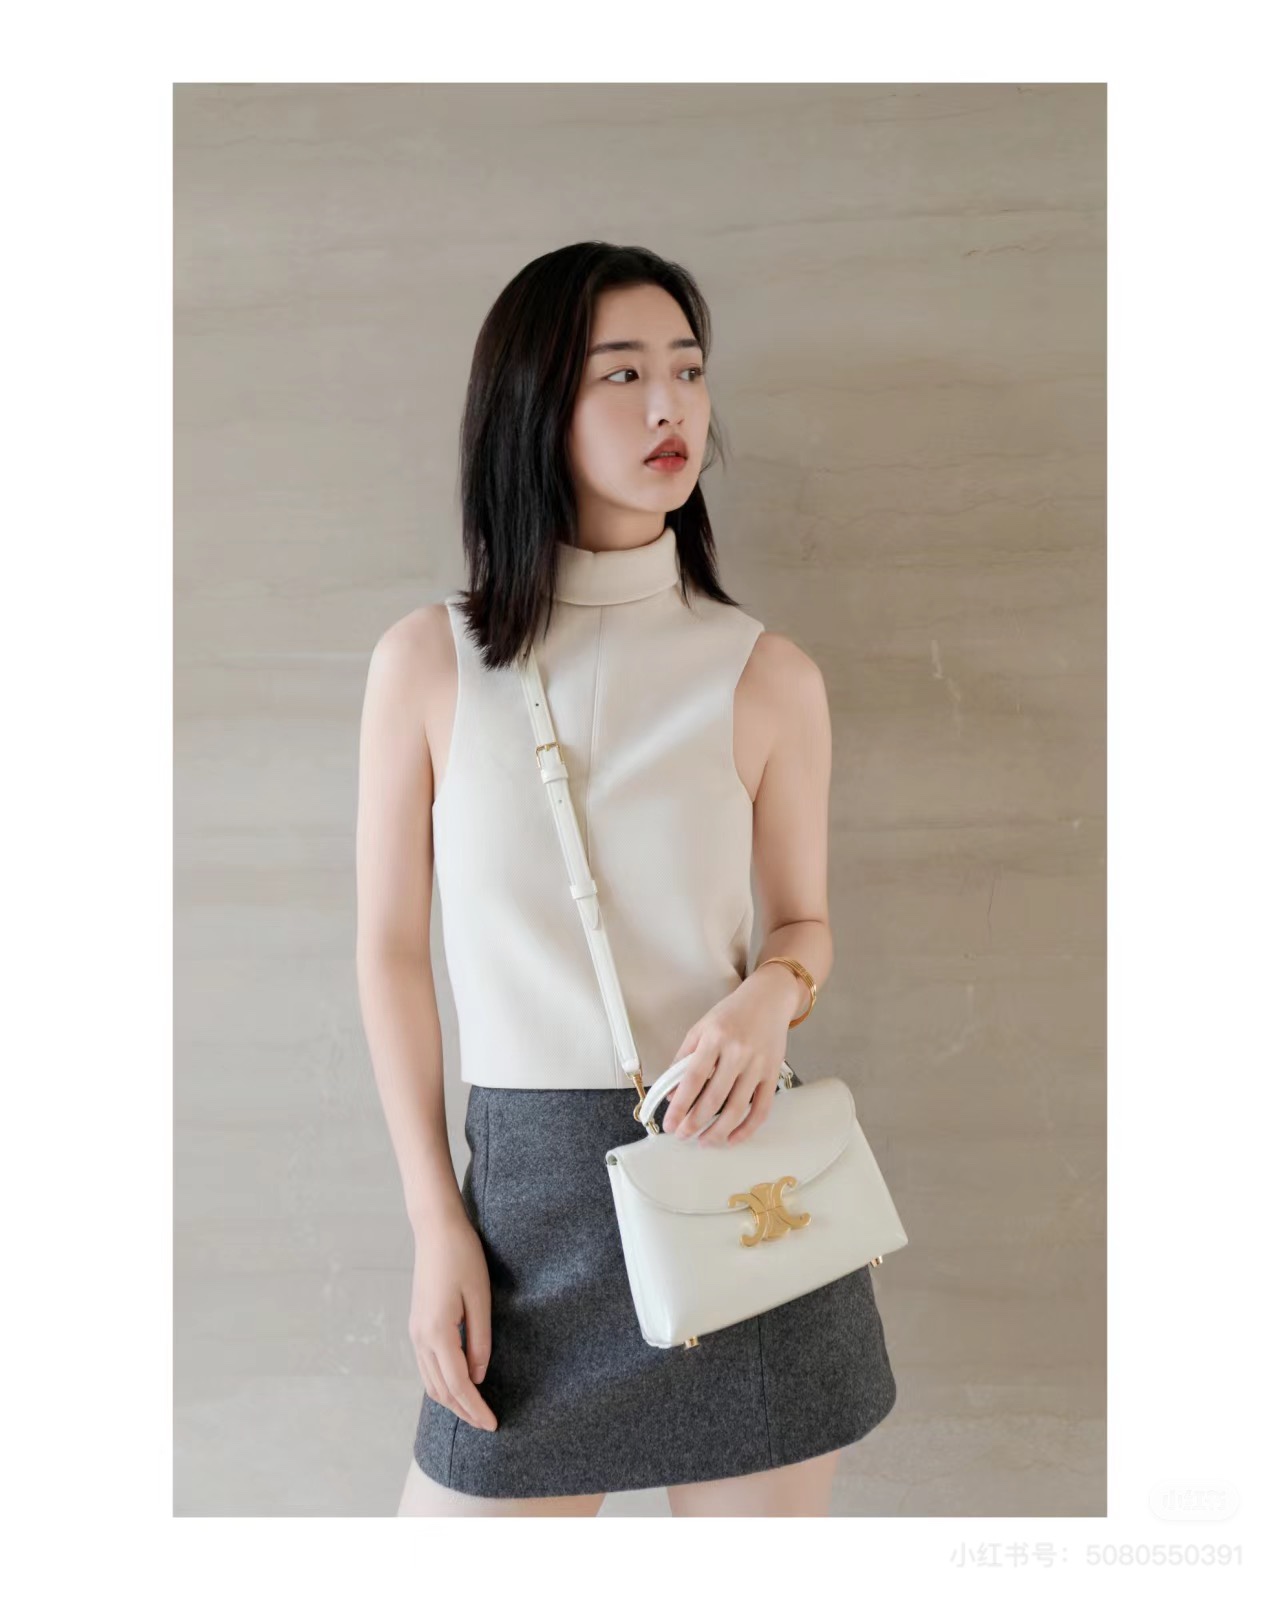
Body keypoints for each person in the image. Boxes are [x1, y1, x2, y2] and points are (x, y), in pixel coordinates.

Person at [355, 242, 897, 1518]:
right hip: (525, 1223)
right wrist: (437, 1224)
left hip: (740, 1198)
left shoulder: (765, 674)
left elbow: (803, 922)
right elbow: (388, 952)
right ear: (534, 404)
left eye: (688, 372)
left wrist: (769, 997)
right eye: (623, 374)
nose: (671, 407)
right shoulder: (427, 665)